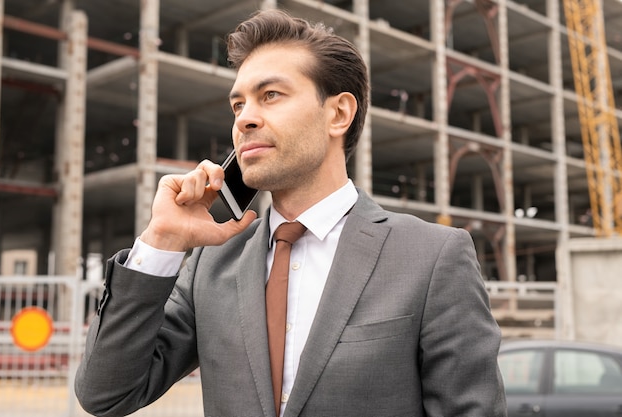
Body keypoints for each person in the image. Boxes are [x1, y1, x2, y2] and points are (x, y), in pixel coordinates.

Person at [75, 9, 507, 417]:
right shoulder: (213, 264)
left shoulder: (432, 257)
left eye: (271, 95)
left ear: (338, 113)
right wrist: (162, 240)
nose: (244, 119)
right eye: (238, 105)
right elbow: (106, 393)